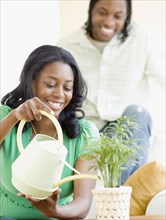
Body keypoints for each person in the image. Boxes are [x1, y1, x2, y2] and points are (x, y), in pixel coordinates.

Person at [57, 0, 165, 184]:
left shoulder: (143, 38)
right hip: (86, 126)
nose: (108, 21)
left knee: (139, 112)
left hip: (126, 125)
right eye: (102, 12)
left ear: (127, 17)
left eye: (118, 16)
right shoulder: (68, 44)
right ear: (91, 11)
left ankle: (122, 196)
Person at [0, 45, 99, 219]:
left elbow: (83, 203)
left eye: (67, 88)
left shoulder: (85, 134)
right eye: (51, 84)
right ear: (31, 82)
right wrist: (15, 116)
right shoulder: (6, 117)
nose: (60, 94)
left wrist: (55, 211)